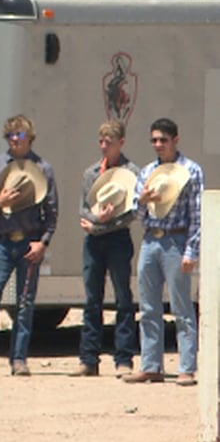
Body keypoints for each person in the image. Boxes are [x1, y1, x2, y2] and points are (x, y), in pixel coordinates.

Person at [124, 118, 203, 386]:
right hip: (151, 240)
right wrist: (143, 202)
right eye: (154, 140)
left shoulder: (191, 171)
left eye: (163, 140)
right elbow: (135, 212)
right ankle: (151, 365)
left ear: (175, 140)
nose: (158, 145)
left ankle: (186, 367)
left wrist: (192, 251)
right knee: (147, 307)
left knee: (181, 307)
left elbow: (197, 214)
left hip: (177, 239)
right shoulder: (147, 172)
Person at [0, 115, 58, 377]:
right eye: (11, 135)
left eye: (20, 135)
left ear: (29, 137)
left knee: (25, 303)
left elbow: (52, 213)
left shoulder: (43, 169)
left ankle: (19, 359)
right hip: (1, 243)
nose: (14, 139)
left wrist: (42, 243)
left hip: (29, 243)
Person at [75, 120, 140, 377]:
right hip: (93, 240)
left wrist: (100, 225)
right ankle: (88, 358)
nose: (104, 147)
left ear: (121, 143)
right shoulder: (91, 173)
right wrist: (95, 220)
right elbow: (83, 208)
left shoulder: (131, 171)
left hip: (117, 240)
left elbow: (131, 213)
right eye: (101, 142)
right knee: (92, 300)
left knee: (123, 298)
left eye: (109, 143)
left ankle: (124, 358)